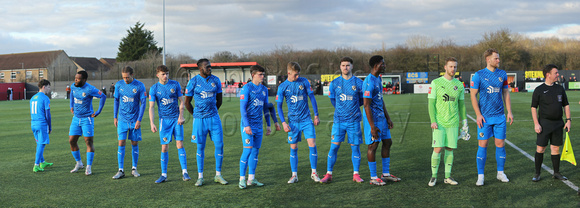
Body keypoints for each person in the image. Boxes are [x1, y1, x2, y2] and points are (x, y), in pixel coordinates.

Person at [470, 48, 514, 186]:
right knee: (483, 145)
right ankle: (481, 175)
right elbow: (473, 95)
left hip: (500, 117)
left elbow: (506, 93)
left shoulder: (503, 74)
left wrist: (509, 111)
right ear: (488, 60)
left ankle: (500, 173)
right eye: (496, 58)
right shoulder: (479, 75)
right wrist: (478, 115)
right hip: (485, 118)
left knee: (500, 145)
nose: (498, 60)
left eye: (498, 58)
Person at [319, 57, 365, 184]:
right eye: (343, 65)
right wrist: (341, 109)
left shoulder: (359, 83)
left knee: (355, 147)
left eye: (348, 65)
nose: (345, 67)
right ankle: (329, 174)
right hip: (339, 121)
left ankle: (356, 174)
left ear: (352, 66)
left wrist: (353, 108)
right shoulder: (334, 83)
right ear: (340, 67)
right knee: (333, 148)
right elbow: (333, 100)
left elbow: (362, 100)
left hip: (354, 121)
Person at [184, 59, 228, 186]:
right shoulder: (193, 82)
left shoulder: (216, 80)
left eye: (210, 66)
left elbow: (219, 100)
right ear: (200, 68)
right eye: (207, 67)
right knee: (200, 147)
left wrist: (212, 112)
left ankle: (218, 175)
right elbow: (187, 102)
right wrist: (196, 115)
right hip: (199, 120)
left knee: (219, 145)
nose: (210, 68)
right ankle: (200, 177)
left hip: (214, 118)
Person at [276, 62, 321, 183]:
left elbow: (312, 97)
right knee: (294, 147)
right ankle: (294, 175)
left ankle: (314, 172)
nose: (297, 77)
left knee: (312, 144)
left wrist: (316, 115)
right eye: (295, 75)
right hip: (293, 122)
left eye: (298, 74)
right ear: (288, 73)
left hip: (306, 120)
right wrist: (284, 123)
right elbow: (279, 106)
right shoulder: (282, 87)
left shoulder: (304, 81)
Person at [427, 57, 469, 186]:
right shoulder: (436, 83)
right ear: (445, 67)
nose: (453, 69)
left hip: (453, 122)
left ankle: (447, 177)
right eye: (451, 66)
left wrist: (465, 121)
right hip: (439, 122)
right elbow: (431, 104)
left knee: (450, 149)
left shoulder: (459, 85)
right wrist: (433, 120)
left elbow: (461, 105)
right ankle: (433, 176)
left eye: (455, 67)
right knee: (438, 149)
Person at [362, 55, 400, 186]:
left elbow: (380, 100)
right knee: (373, 146)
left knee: (388, 142)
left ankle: (386, 174)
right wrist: (372, 126)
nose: (384, 66)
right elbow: (366, 105)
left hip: (381, 119)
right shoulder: (369, 81)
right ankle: (373, 177)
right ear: (375, 65)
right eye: (382, 64)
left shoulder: (378, 78)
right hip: (373, 120)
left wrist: (388, 117)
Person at [149, 65, 189, 183]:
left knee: (180, 145)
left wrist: (181, 116)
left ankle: (185, 172)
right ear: (158, 75)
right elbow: (151, 107)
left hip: (176, 120)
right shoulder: (154, 88)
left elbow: (182, 101)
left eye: (167, 73)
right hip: (164, 121)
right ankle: (164, 174)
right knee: (164, 147)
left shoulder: (175, 85)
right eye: (163, 74)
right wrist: (152, 123)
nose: (165, 76)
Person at [531, 64, 571, 182]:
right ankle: (537, 173)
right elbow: (533, 107)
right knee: (541, 148)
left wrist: (568, 120)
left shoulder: (560, 88)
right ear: (548, 75)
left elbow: (566, 105)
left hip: (558, 123)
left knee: (555, 149)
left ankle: (556, 173)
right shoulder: (539, 90)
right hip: (544, 124)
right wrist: (536, 123)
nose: (558, 75)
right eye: (556, 73)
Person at [238, 65, 272, 189]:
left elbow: (265, 108)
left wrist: (268, 125)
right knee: (247, 150)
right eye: (260, 74)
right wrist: (246, 125)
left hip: (259, 126)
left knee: (255, 152)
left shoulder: (264, 89)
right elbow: (242, 108)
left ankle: (251, 179)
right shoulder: (246, 88)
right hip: (248, 126)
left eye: (263, 74)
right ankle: (242, 179)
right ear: (253, 75)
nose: (262, 77)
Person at [69, 71, 107, 175]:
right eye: (75, 78)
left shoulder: (90, 89)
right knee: (72, 141)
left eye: (78, 78)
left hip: (87, 119)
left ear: (84, 80)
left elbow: (103, 96)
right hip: (76, 118)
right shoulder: (73, 86)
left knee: (88, 142)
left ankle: (88, 167)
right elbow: (72, 94)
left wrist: (98, 111)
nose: (76, 80)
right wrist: (71, 105)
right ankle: (79, 163)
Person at [111, 66, 147, 179]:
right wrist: (115, 117)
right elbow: (116, 101)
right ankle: (120, 170)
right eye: (123, 77)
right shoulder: (118, 85)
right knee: (121, 143)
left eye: (127, 77)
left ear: (132, 75)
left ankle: (134, 168)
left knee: (134, 143)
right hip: (122, 119)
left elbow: (143, 103)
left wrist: (139, 120)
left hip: (134, 120)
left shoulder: (139, 85)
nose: (125, 79)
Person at [30, 79, 53, 172]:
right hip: (41, 124)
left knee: (39, 143)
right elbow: (48, 115)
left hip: (33, 123)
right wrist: (50, 126)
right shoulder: (45, 98)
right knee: (41, 144)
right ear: (44, 87)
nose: (49, 89)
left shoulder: (33, 98)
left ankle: (42, 162)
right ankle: (36, 165)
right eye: (48, 87)